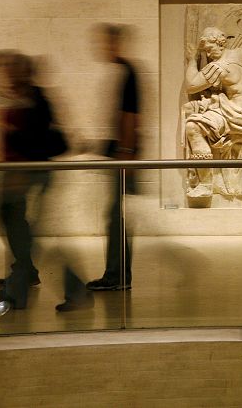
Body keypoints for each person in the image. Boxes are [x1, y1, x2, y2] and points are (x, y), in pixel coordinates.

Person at [0, 51, 63, 315]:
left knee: (25, 236)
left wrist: (18, 172)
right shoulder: (21, 97)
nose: (7, 73)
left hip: (28, 175)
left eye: (12, 68)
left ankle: (15, 294)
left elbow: (32, 140)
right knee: (20, 231)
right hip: (19, 175)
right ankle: (24, 277)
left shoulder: (33, 99)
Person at [84, 24, 140, 293]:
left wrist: (125, 156)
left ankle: (117, 276)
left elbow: (130, 118)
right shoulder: (122, 72)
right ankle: (117, 274)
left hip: (123, 158)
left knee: (116, 218)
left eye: (107, 43)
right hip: (119, 155)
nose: (103, 48)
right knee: (115, 217)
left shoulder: (128, 72)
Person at [183, 27, 242, 198]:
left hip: (236, 114)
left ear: (220, 43)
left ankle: (205, 185)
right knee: (193, 110)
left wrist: (193, 60)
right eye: (205, 51)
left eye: (209, 49)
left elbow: (191, 85)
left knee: (193, 127)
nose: (208, 54)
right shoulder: (240, 53)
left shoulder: (219, 67)